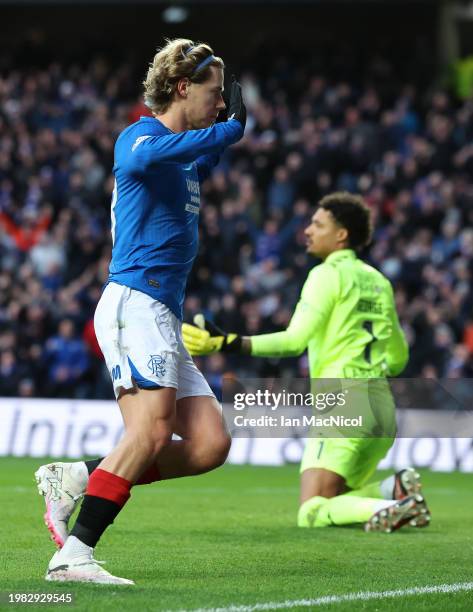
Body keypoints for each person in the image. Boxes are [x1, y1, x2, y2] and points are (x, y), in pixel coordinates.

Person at [35, 38, 246, 585]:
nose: (221, 105)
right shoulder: (141, 136)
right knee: (149, 434)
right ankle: (74, 553)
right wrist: (226, 129)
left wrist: (224, 134)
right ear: (182, 88)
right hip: (136, 303)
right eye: (213, 93)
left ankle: (77, 475)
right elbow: (145, 156)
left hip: (160, 315)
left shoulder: (184, 155)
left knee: (207, 445)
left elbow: (207, 149)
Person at [183, 192, 431, 532]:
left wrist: (229, 342)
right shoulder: (379, 281)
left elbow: (294, 340)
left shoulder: (326, 275)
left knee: (311, 511)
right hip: (382, 409)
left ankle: (390, 505)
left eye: (318, 224)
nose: (308, 231)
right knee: (340, 495)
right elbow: (400, 359)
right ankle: (394, 489)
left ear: (341, 235)